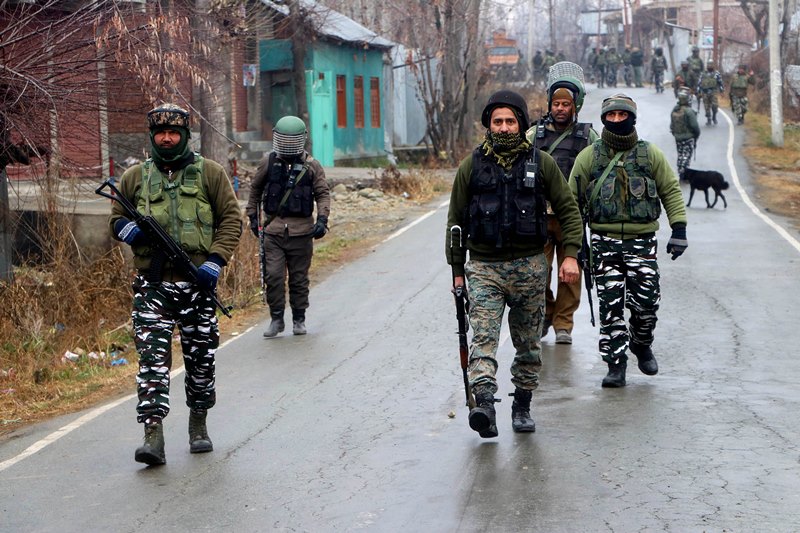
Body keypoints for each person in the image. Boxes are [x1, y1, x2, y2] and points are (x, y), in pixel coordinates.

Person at [109, 103, 243, 465]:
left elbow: (232, 220)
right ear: (152, 136)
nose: (166, 139)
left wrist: (215, 262)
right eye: (160, 133)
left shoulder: (209, 174)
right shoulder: (135, 177)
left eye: (174, 133)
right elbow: (116, 218)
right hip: (152, 288)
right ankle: (153, 436)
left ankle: (198, 425)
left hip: (198, 287)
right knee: (152, 362)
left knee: (201, 359)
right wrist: (128, 230)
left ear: (185, 136)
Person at [445, 90, 583, 437]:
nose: (504, 128)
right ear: (488, 125)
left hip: (530, 267)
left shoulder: (542, 163)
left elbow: (568, 211)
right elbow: (455, 222)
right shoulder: (472, 165)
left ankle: (522, 404)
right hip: (484, 269)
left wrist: (569, 254)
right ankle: (486, 407)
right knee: (484, 338)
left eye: (510, 121)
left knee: (528, 343)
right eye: (497, 122)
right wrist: (458, 272)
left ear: (521, 124)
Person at [568, 94, 688, 388]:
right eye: (612, 116)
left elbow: (670, 190)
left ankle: (641, 342)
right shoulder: (589, 157)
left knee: (646, 305)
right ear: (604, 119)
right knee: (610, 307)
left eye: (623, 116)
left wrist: (679, 229)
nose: (617, 121)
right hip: (603, 243)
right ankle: (615, 364)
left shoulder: (650, 155)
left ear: (632, 118)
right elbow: (571, 202)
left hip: (642, 243)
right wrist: (575, 245)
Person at [527, 62, 598, 345]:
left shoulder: (587, 137)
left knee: (571, 273)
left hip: (572, 218)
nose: (560, 108)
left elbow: (599, 167)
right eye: (556, 103)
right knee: (537, 272)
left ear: (574, 106)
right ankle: (546, 313)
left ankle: (563, 323)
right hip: (539, 217)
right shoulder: (535, 136)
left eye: (565, 104)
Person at [246, 115, 331, 338]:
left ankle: (299, 318)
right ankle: (276, 318)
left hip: (302, 232)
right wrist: (253, 218)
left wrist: (322, 220)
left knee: (299, 278)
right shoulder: (269, 162)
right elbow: (255, 190)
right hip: (273, 231)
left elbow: (322, 193)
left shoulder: (312, 166)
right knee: (273, 276)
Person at [670, 89, 701, 182]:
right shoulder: (689, 111)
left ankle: (680, 171)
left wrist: (675, 134)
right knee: (686, 155)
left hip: (678, 137)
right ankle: (683, 173)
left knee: (680, 154)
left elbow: (672, 125)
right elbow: (695, 126)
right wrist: (696, 135)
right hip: (688, 137)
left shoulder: (675, 110)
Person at [697, 60, 724, 125]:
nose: (710, 66)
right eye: (708, 64)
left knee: (715, 106)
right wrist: (698, 92)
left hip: (713, 91)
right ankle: (708, 119)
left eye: (711, 64)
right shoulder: (702, 73)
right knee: (707, 106)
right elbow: (699, 83)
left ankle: (714, 117)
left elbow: (720, 82)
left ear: (713, 65)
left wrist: (722, 91)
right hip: (705, 92)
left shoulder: (717, 73)